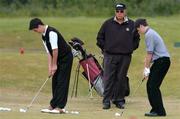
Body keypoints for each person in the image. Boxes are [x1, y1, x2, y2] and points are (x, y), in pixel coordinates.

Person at [96, 3, 140, 109]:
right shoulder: (108, 23)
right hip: (110, 55)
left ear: (125, 11)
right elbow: (99, 38)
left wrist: (129, 48)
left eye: (121, 11)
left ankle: (119, 100)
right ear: (115, 12)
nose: (119, 13)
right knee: (108, 78)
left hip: (125, 56)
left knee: (121, 78)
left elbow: (136, 40)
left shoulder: (132, 24)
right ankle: (106, 100)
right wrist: (105, 49)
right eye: (117, 11)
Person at [29, 18, 73, 114]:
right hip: (57, 58)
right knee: (55, 81)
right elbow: (49, 53)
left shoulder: (51, 32)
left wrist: (54, 65)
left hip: (66, 58)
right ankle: (53, 105)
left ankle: (60, 107)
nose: (35, 32)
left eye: (35, 30)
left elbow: (55, 50)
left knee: (62, 82)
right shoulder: (43, 37)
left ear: (40, 26)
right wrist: (50, 68)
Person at [134, 18, 170, 117]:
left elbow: (149, 54)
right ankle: (156, 109)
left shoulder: (149, 35)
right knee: (151, 85)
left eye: (138, 30)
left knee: (152, 86)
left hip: (162, 61)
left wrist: (146, 69)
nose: (138, 32)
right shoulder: (151, 33)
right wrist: (147, 66)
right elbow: (151, 55)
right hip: (162, 61)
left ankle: (159, 111)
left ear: (141, 26)